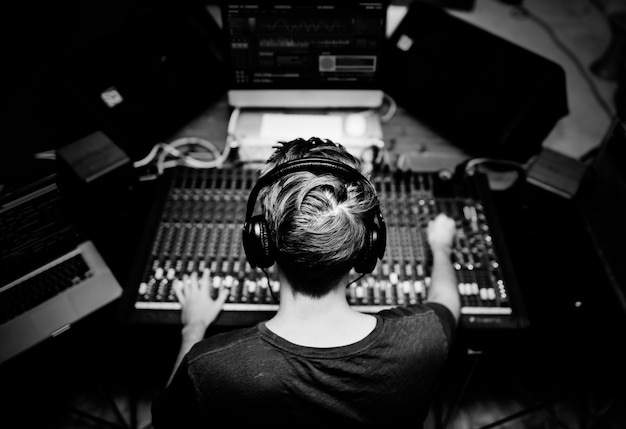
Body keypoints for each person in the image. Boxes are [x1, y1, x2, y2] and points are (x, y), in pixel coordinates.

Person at [151, 137, 460, 427]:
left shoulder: (208, 368)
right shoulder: (426, 336)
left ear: (262, 245)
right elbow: (447, 302)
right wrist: (441, 247)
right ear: (368, 251)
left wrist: (193, 327)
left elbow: (166, 421)